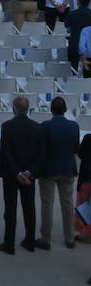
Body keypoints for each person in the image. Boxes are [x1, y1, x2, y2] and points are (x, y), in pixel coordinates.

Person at [0, 96, 47, 254]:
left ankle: (9, 244)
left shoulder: (7, 126)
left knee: (10, 209)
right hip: (29, 176)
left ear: (14, 108)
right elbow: (41, 155)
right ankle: (30, 241)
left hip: (11, 175)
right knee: (29, 208)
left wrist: (17, 172)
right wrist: (28, 172)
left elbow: (6, 153)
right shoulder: (37, 128)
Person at [39, 95, 79, 250]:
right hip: (67, 168)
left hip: (49, 169)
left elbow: (42, 150)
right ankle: (69, 238)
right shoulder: (74, 126)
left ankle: (46, 239)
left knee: (47, 204)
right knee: (68, 204)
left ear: (51, 110)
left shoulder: (45, 126)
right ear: (65, 109)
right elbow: (75, 148)